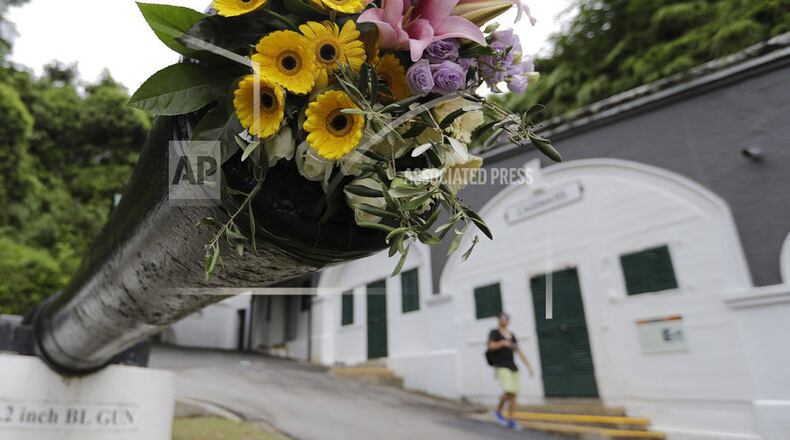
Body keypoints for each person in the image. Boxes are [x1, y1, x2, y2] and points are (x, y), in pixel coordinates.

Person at [487, 312, 534, 430]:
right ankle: (498, 412)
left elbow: (519, 351)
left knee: (514, 395)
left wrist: (528, 365)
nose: (505, 320)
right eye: (503, 318)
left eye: (507, 318)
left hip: (513, 366)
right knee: (509, 390)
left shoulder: (512, 335)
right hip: (502, 366)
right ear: (498, 320)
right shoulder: (495, 333)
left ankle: (511, 419)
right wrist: (503, 343)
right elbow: (491, 346)